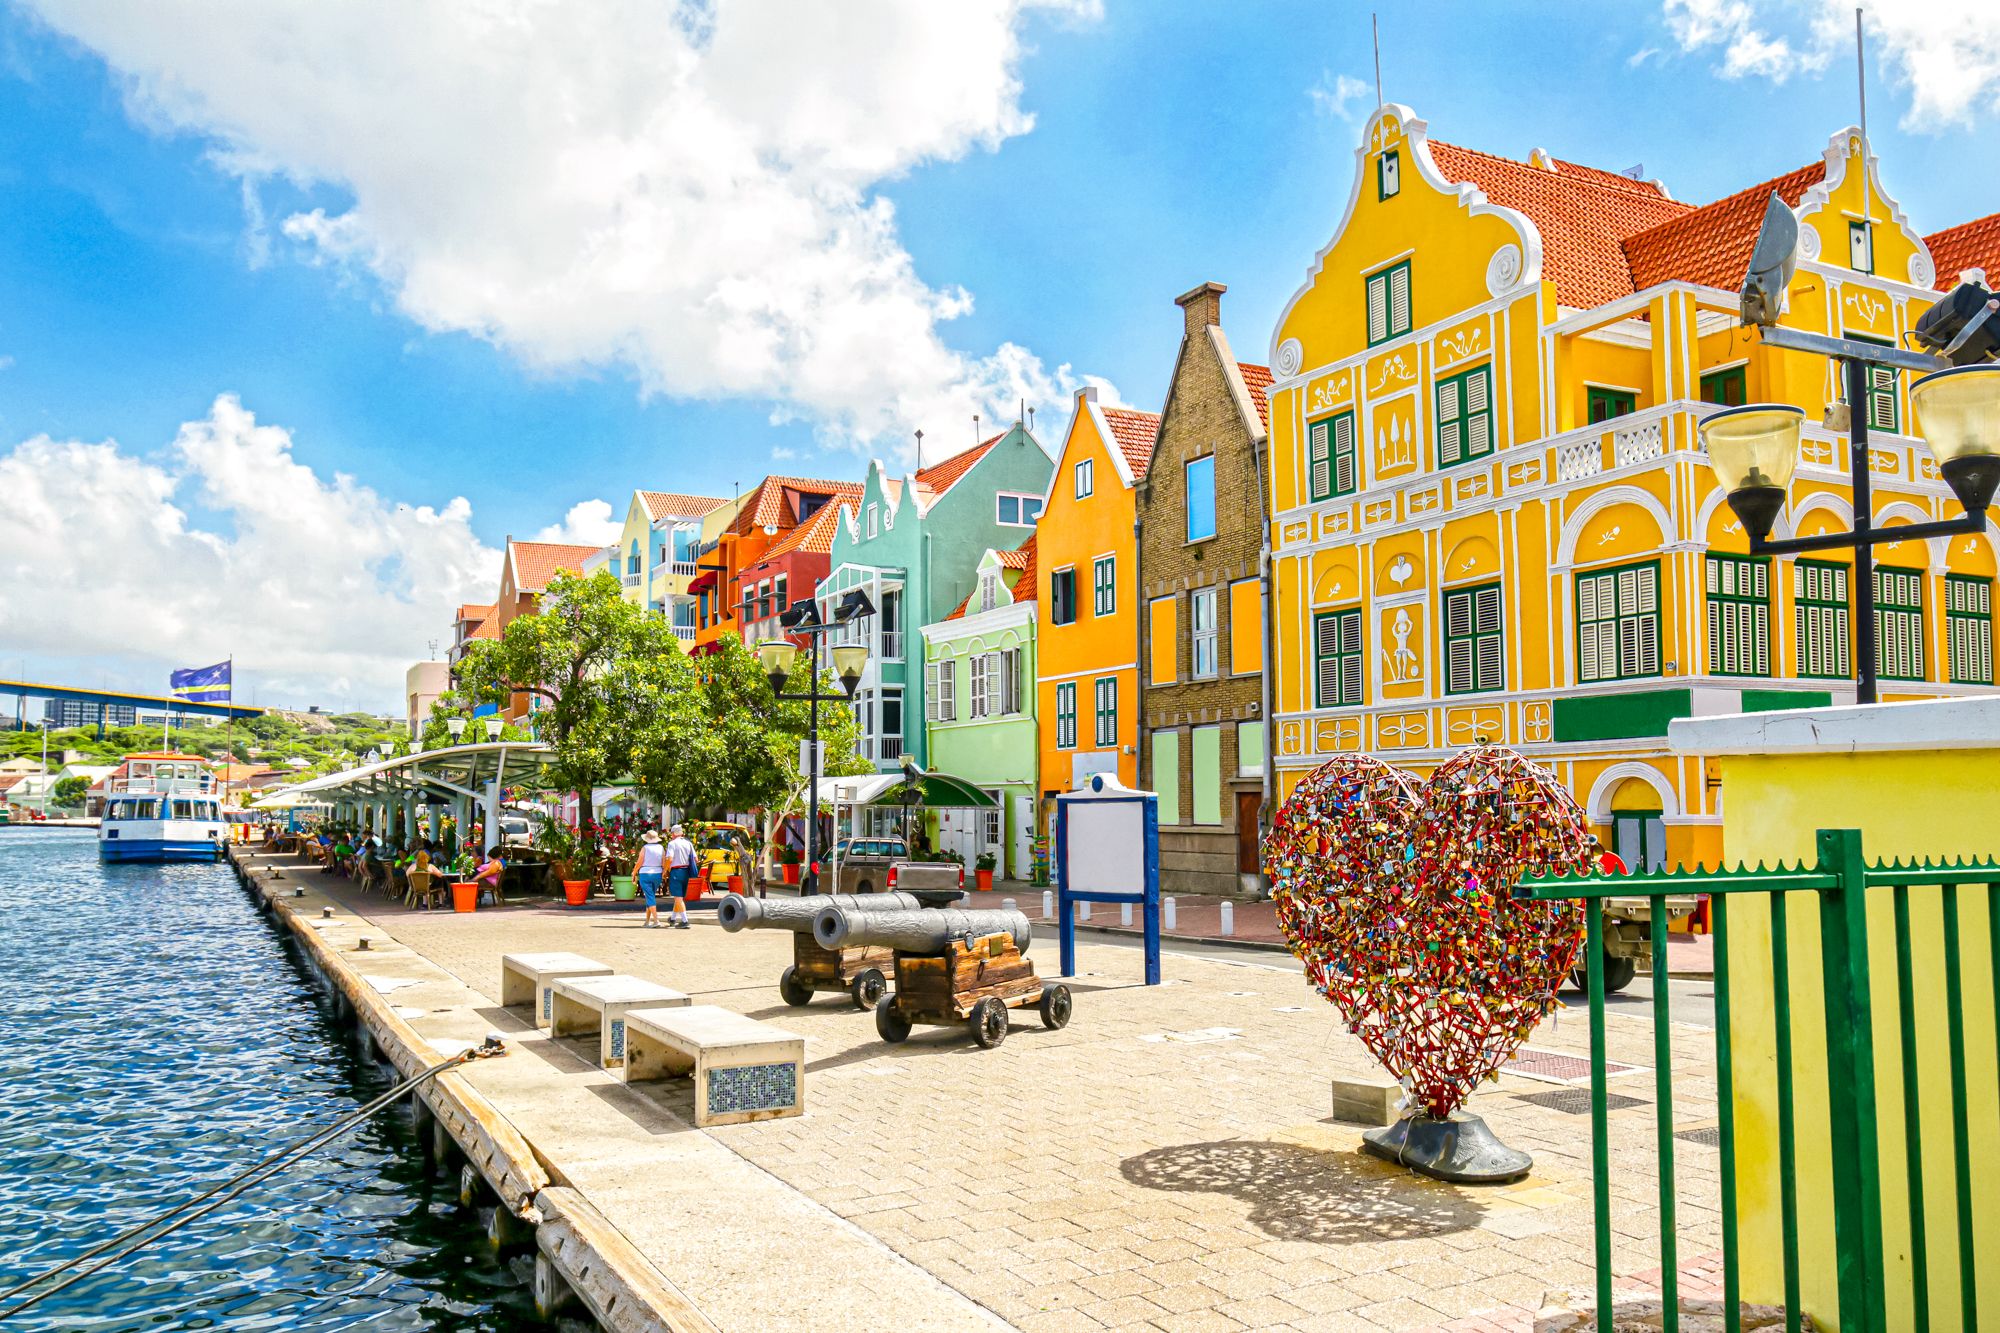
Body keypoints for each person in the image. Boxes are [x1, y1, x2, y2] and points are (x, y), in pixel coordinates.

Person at [664, 824, 696, 929]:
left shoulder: (672, 844)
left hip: (676, 871)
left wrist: (665, 870)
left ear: (673, 834)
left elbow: (670, 859)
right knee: (679, 897)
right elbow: (695, 859)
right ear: (681, 833)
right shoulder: (688, 843)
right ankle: (673, 918)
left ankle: (685, 920)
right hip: (686, 871)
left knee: (678, 897)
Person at [635, 829, 667, 928]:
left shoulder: (645, 848)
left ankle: (656, 920)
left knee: (649, 897)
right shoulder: (661, 847)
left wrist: (634, 872)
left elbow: (640, 861)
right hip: (657, 873)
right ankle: (647, 921)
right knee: (650, 896)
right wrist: (664, 873)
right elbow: (663, 862)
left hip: (645, 873)